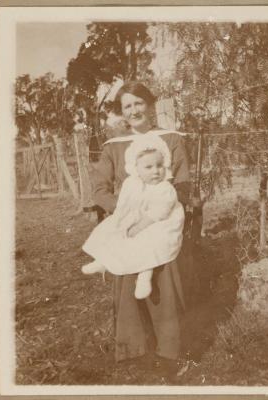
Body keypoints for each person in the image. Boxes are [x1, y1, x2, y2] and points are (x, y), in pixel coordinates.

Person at [90, 81, 190, 371]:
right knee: (128, 263)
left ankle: (169, 347)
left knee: (163, 267)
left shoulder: (171, 139)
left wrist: (159, 212)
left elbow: (182, 184)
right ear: (122, 113)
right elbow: (99, 190)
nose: (134, 111)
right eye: (127, 106)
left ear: (150, 104)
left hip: (164, 216)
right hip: (129, 221)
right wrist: (123, 213)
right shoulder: (113, 146)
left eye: (138, 103)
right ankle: (134, 347)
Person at [82, 134, 185, 300]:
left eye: (159, 166)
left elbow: (159, 213)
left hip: (161, 222)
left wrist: (138, 226)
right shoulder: (134, 184)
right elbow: (126, 204)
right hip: (140, 217)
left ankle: (145, 277)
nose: (156, 171)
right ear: (136, 169)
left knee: (150, 242)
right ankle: (104, 260)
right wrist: (123, 221)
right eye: (149, 167)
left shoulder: (165, 188)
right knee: (112, 229)